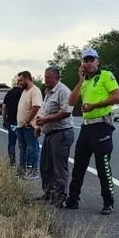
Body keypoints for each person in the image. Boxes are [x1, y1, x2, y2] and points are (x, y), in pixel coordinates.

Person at [65, 48, 119, 215]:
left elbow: (118, 96)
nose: (88, 63)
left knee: (102, 166)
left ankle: (108, 201)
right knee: (79, 165)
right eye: (86, 60)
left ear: (98, 61)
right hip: (86, 126)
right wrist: (80, 80)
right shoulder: (85, 81)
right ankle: (73, 199)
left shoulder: (106, 76)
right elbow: (71, 101)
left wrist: (95, 105)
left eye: (91, 60)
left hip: (101, 126)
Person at [34, 66, 74, 206]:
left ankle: (60, 195)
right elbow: (44, 111)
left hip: (61, 133)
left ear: (56, 77)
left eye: (48, 77)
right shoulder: (48, 92)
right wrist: (39, 125)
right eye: (45, 77)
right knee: (46, 165)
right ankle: (49, 192)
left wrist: (46, 120)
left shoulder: (62, 91)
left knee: (59, 166)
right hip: (49, 133)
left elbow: (66, 112)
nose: (45, 80)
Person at [16, 71, 42, 179]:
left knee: (32, 148)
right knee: (23, 148)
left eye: (21, 80)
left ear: (27, 78)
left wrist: (28, 121)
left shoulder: (34, 91)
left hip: (29, 126)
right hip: (21, 126)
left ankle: (34, 171)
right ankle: (22, 170)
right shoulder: (24, 92)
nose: (19, 82)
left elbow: (36, 107)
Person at [2, 80, 23, 167]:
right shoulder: (24, 93)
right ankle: (24, 163)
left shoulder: (9, 93)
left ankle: (12, 162)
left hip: (11, 121)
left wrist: (4, 120)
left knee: (11, 142)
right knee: (23, 144)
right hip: (21, 121)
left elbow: (3, 108)